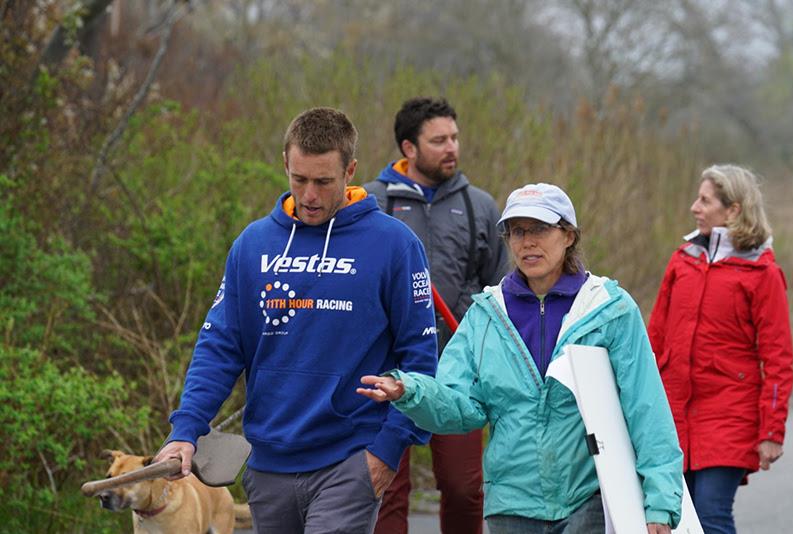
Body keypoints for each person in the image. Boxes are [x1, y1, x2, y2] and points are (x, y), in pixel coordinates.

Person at [154, 107, 439, 534]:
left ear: (350, 171)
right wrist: (186, 429)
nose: (310, 195)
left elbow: (420, 357)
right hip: (268, 464)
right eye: (299, 179)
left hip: (350, 459)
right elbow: (220, 347)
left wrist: (387, 449)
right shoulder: (252, 245)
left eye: (324, 182)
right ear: (285, 163)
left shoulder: (394, 244)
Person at [358, 183, 684, 534]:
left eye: (540, 229)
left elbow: (646, 408)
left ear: (569, 235)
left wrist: (660, 501)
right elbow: (462, 407)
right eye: (516, 231)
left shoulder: (609, 310)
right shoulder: (485, 316)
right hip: (511, 507)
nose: (527, 242)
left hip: (590, 501)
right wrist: (410, 390)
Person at [363, 97, 507, 534]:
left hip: (457, 371)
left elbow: (500, 291)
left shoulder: (481, 206)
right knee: (387, 486)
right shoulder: (371, 203)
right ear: (409, 147)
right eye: (439, 140)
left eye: (455, 138)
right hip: (387, 371)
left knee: (464, 488)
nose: (452, 148)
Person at [648, 164, 793, 534]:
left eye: (705, 200)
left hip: (730, 414)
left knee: (711, 515)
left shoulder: (763, 274)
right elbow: (655, 338)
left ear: (733, 210)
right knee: (678, 518)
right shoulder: (682, 261)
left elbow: (777, 356)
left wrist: (772, 431)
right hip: (674, 412)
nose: (695, 207)